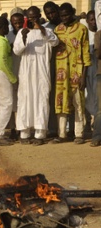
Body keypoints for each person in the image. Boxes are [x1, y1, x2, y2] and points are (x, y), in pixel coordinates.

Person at [13, 6, 59, 145]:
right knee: (25, 100)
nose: (33, 20)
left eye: (35, 17)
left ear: (39, 16)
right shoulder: (22, 31)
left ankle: (40, 134)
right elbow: (17, 51)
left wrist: (42, 29)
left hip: (41, 72)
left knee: (41, 100)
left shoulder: (47, 31)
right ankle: (25, 132)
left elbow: (55, 42)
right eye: (30, 17)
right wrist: (24, 37)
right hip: (26, 72)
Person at [52, 3, 91, 144]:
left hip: (77, 72)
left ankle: (79, 134)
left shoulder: (82, 29)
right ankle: (62, 134)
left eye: (67, 15)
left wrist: (84, 76)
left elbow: (86, 53)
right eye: (62, 15)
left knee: (78, 102)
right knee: (61, 102)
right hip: (61, 73)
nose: (64, 18)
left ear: (73, 13)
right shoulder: (57, 30)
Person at [0, 17, 17, 146]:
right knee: (7, 104)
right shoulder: (1, 42)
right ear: (3, 27)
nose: (8, 28)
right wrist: (12, 78)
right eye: (7, 26)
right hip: (1, 73)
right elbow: (4, 62)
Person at [43, 1, 62, 138]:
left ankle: (68, 129)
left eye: (52, 12)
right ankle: (52, 129)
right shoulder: (45, 28)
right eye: (48, 13)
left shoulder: (66, 25)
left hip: (66, 65)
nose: (51, 15)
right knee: (50, 97)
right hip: (50, 65)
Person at [6, 11, 25, 140]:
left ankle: (22, 127)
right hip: (12, 72)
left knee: (23, 101)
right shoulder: (7, 36)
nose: (17, 25)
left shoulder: (27, 34)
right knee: (12, 102)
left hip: (24, 73)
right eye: (15, 23)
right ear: (11, 23)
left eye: (19, 22)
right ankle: (13, 128)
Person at [85, 10, 98, 132]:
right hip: (87, 70)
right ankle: (87, 123)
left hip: (97, 70)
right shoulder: (85, 34)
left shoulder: (99, 34)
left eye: (95, 19)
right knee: (87, 96)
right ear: (87, 21)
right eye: (91, 20)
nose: (94, 22)